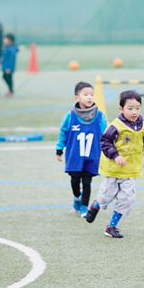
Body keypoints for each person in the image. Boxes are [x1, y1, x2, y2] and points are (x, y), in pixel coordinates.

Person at [85, 90, 144, 238]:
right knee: (106, 198)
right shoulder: (116, 126)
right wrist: (115, 155)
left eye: (137, 107)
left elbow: (143, 142)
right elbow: (104, 141)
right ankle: (95, 205)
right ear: (121, 109)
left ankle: (111, 226)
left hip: (131, 171)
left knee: (127, 199)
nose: (134, 111)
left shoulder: (142, 126)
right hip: (113, 170)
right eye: (130, 108)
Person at [56, 82, 108, 218]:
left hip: (92, 156)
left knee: (86, 182)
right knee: (74, 182)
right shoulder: (69, 116)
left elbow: (106, 135)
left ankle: (85, 207)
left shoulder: (100, 116)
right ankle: (77, 198)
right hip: (74, 156)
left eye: (92, 94)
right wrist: (59, 149)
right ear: (77, 98)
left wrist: (109, 150)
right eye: (85, 95)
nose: (90, 97)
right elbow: (63, 133)